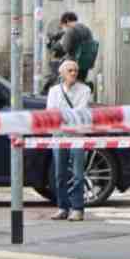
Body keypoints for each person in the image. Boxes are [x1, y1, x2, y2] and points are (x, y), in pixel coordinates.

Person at [46, 58, 92, 222]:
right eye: (70, 70)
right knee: (59, 173)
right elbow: (51, 112)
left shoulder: (84, 90)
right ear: (62, 73)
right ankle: (62, 207)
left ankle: (77, 208)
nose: (73, 73)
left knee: (78, 174)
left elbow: (80, 112)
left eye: (75, 71)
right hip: (58, 137)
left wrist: (63, 117)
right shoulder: (54, 91)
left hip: (77, 136)